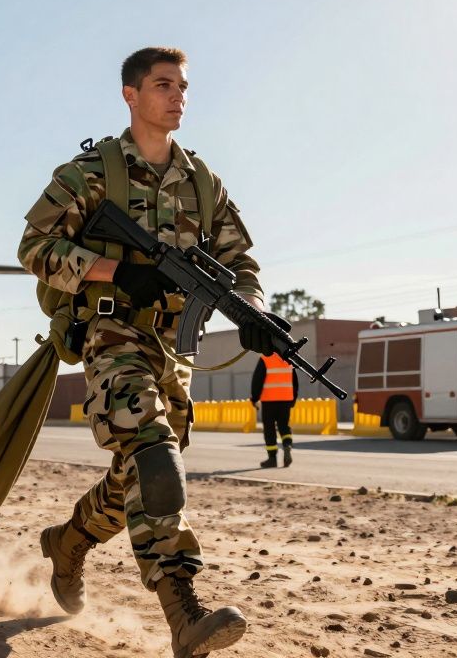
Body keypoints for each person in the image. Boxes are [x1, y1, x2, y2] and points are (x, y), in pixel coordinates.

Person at [18, 47, 283, 657]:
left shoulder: (202, 182)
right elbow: (34, 246)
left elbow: (242, 262)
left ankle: (68, 543)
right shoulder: (91, 173)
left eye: (184, 87)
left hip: (172, 346)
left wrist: (254, 312)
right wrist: (112, 270)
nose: (178, 96)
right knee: (155, 460)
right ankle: (182, 612)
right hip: (112, 333)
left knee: (136, 477)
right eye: (163, 85)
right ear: (130, 96)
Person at [250, 352, 298, 468]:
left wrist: (255, 398)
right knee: (284, 426)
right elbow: (295, 381)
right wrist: (293, 399)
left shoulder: (265, 358)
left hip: (269, 400)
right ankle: (287, 445)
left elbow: (257, 380)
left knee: (269, 429)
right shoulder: (288, 358)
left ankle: (272, 459)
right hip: (286, 399)